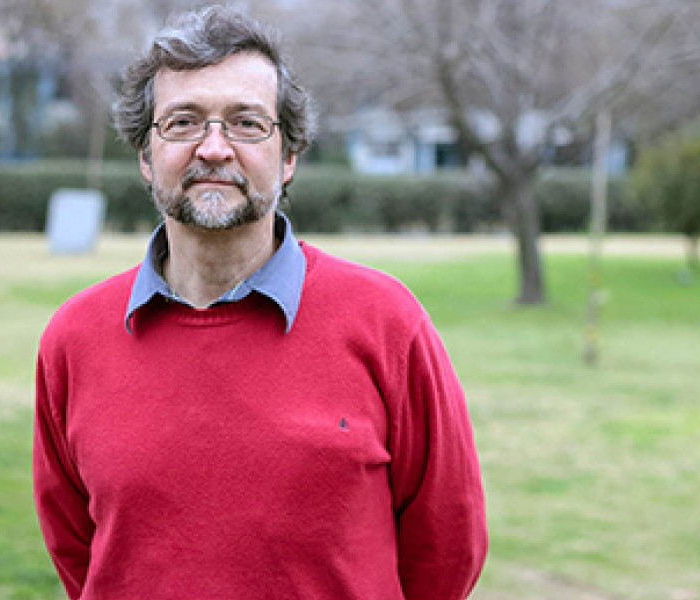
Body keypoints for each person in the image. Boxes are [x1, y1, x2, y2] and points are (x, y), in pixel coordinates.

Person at [33, 5, 487, 600]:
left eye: (246, 123)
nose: (213, 148)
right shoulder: (74, 339)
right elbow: (79, 551)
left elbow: (447, 546)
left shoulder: (387, 322)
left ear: (289, 155)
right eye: (183, 122)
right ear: (145, 155)